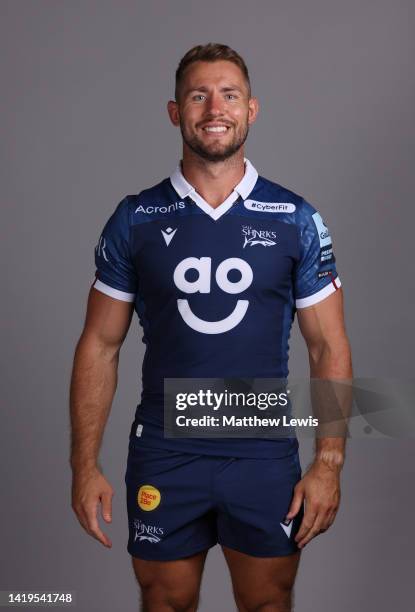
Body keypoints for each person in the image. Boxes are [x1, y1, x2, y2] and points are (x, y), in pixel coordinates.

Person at [70, 43, 352, 612]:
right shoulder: (137, 218)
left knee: (267, 602)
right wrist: (84, 465)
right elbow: (100, 346)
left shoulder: (296, 217)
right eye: (197, 96)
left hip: (262, 452)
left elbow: (328, 347)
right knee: (163, 602)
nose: (214, 108)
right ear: (176, 112)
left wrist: (327, 463)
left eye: (229, 94)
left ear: (252, 109)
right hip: (165, 453)